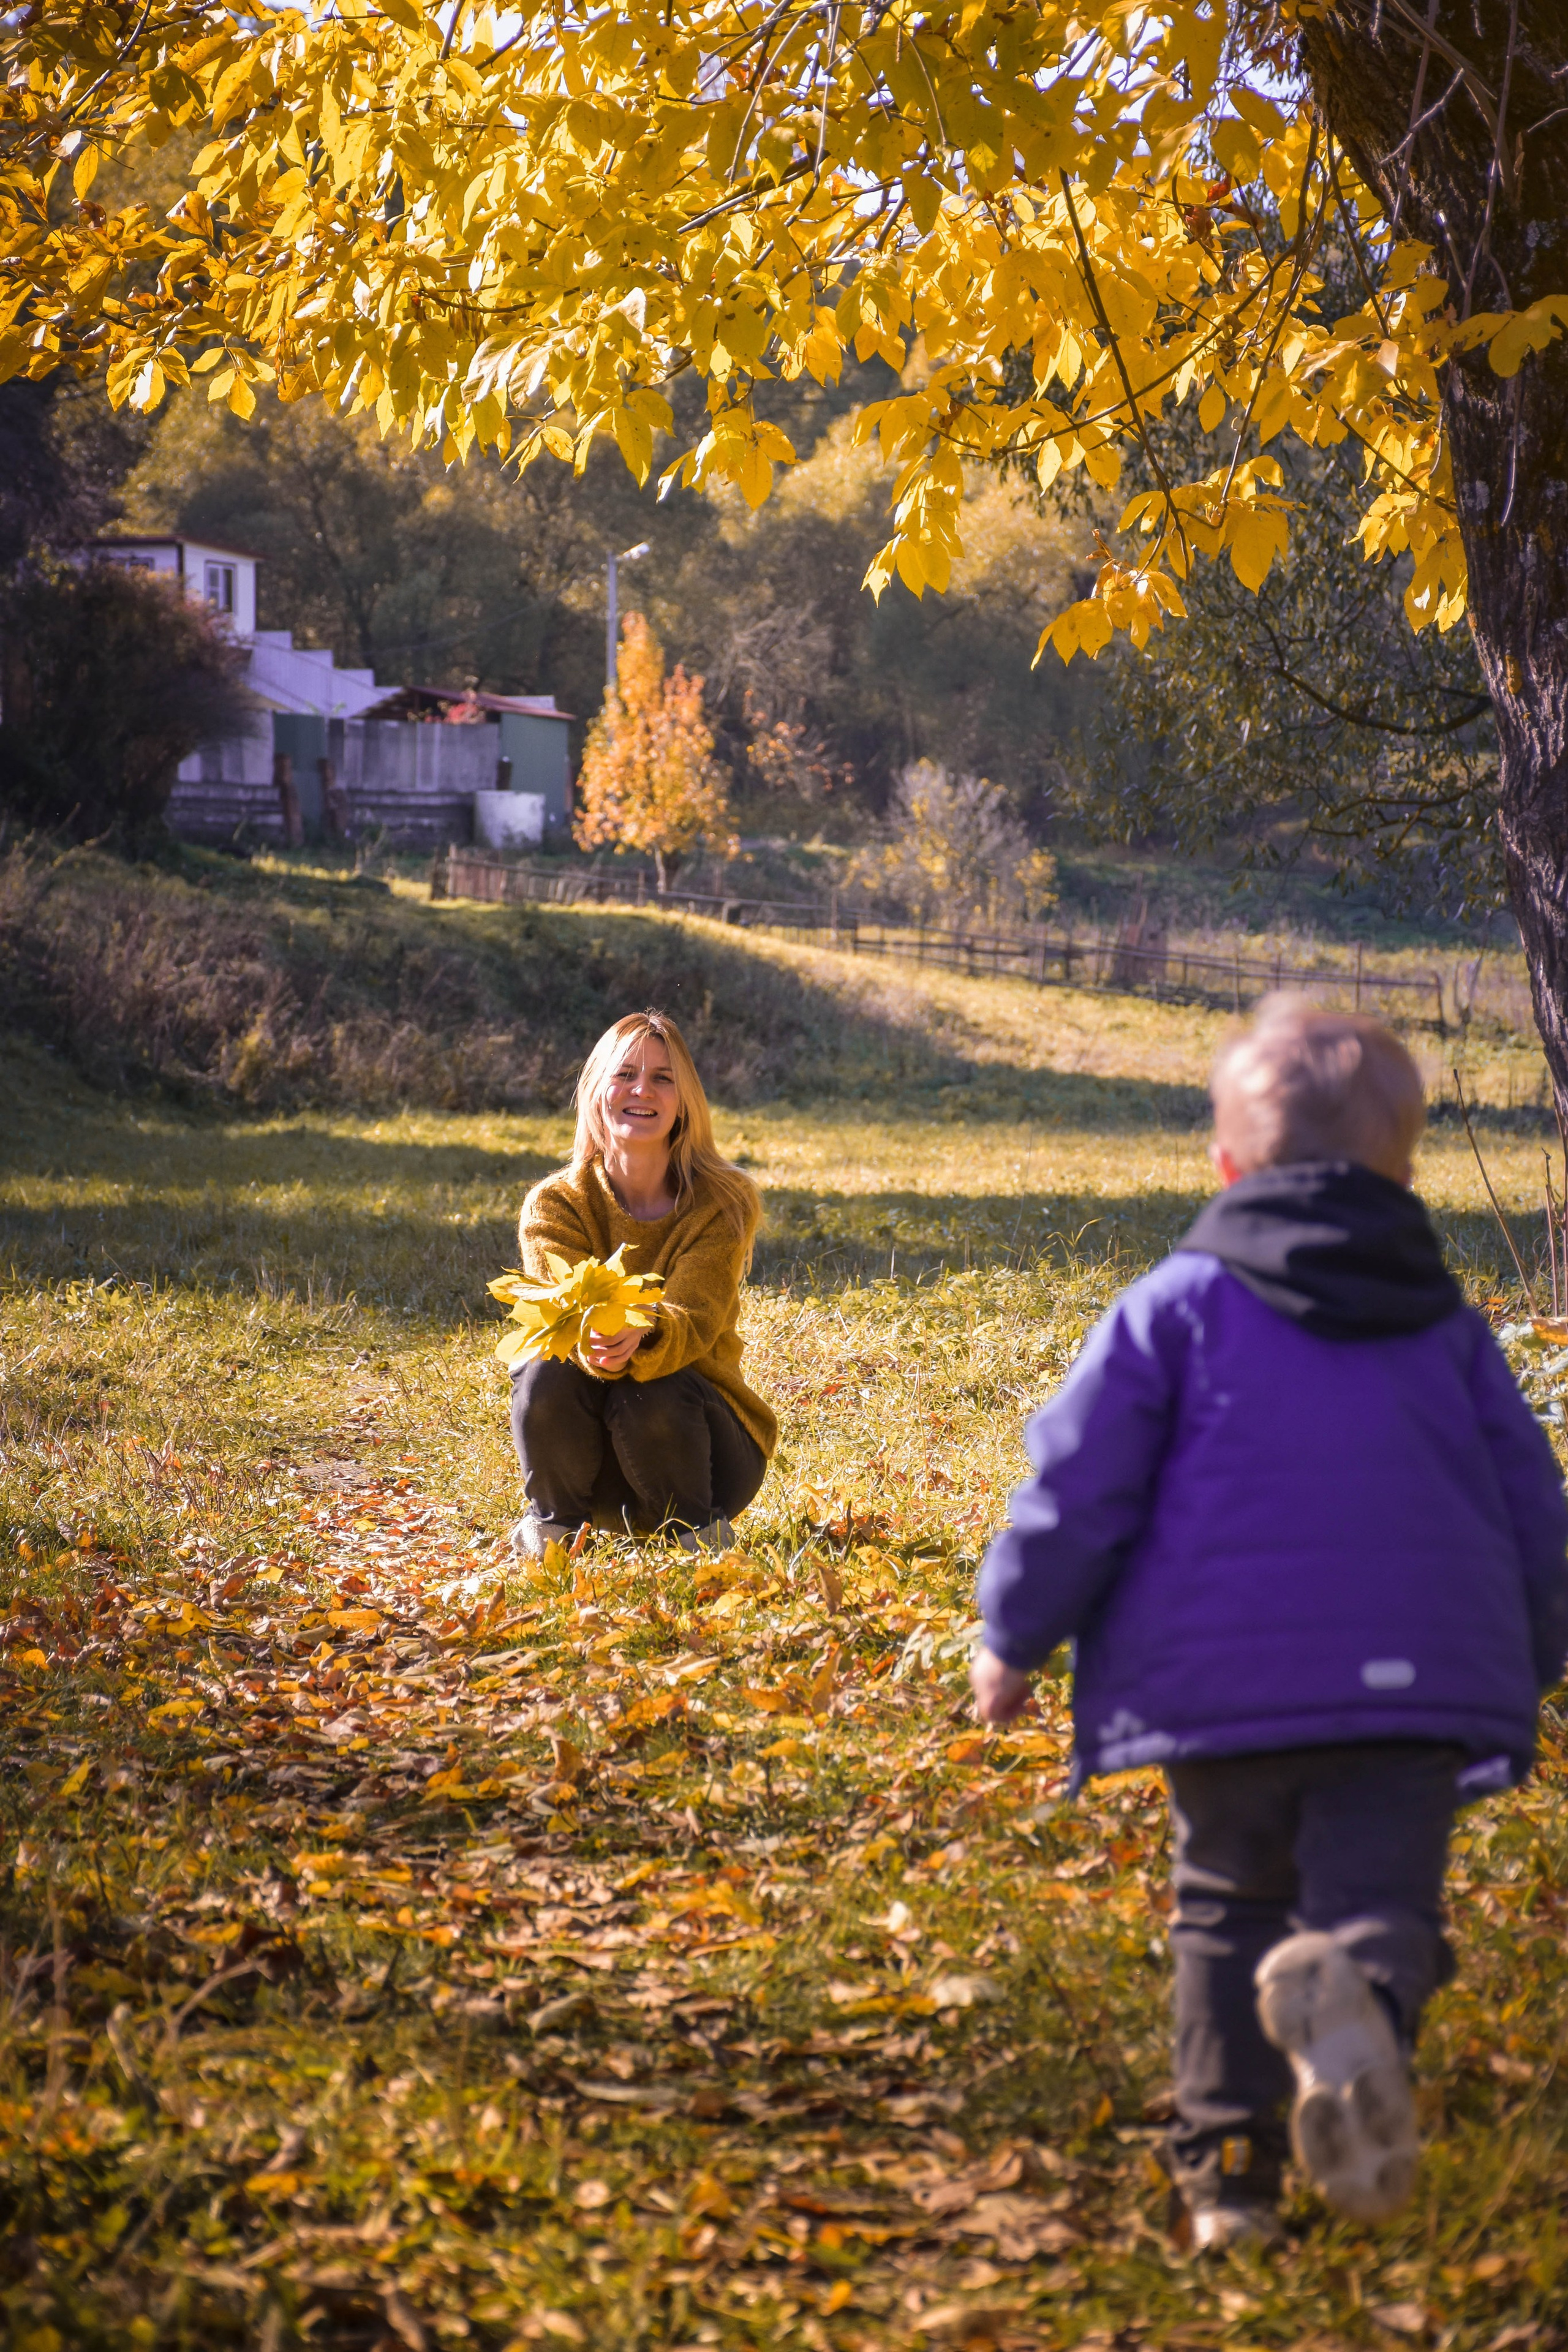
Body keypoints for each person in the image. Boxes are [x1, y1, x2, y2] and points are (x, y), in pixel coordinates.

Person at [970, 995, 1568, 2250]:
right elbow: (1533, 1509)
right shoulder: (1451, 1333)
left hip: (1219, 1693)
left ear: (1225, 1165)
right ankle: (1360, 1992)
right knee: (1377, 1901)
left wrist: (1013, 1635)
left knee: (1227, 1906)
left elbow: (1077, 1484)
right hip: (1412, 1696)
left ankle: (1229, 2180)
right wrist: (1535, 1651)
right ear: (1399, 1167)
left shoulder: (1172, 1308)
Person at [509, 1009, 774, 1557]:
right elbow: (561, 1311)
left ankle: (699, 1540)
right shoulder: (555, 1204)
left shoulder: (722, 1201)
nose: (642, 1091)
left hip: (708, 1459)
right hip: (594, 1470)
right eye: (625, 1074)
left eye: (662, 1078)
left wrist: (641, 1329)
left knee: (652, 1385)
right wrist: (589, 1337)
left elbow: (696, 1315)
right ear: (598, 1091)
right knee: (543, 1368)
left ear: (684, 1102)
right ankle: (557, 1536)